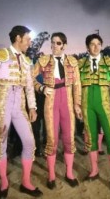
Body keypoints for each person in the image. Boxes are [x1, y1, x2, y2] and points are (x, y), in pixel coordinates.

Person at [0, 25, 42, 198]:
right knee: (1, 140)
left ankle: (26, 182)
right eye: (28, 39)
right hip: (3, 101)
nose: (30, 43)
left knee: (30, 141)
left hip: (20, 104)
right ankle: (4, 182)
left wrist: (32, 107)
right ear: (18, 38)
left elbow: (30, 87)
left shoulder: (26, 61)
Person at [33, 32, 82, 190]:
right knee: (52, 140)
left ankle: (69, 173)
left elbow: (77, 85)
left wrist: (77, 104)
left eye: (58, 43)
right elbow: (29, 78)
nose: (54, 46)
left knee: (69, 138)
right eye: (52, 43)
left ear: (64, 45)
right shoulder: (43, 60)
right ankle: (52, 175)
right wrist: (41, 87)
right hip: (51, 102)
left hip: (67, 102)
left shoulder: (72, 61)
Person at [79, 34, 110, 194]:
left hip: (105, 104)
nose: (96, 47)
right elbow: (77, 87)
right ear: (87, 47)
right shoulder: (81, 64)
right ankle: (94, 170)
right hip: (86, 105)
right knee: (91, 139)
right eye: (92, 44)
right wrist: (77, 105)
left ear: (101, 46)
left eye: (98, 44)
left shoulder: (109, 63)